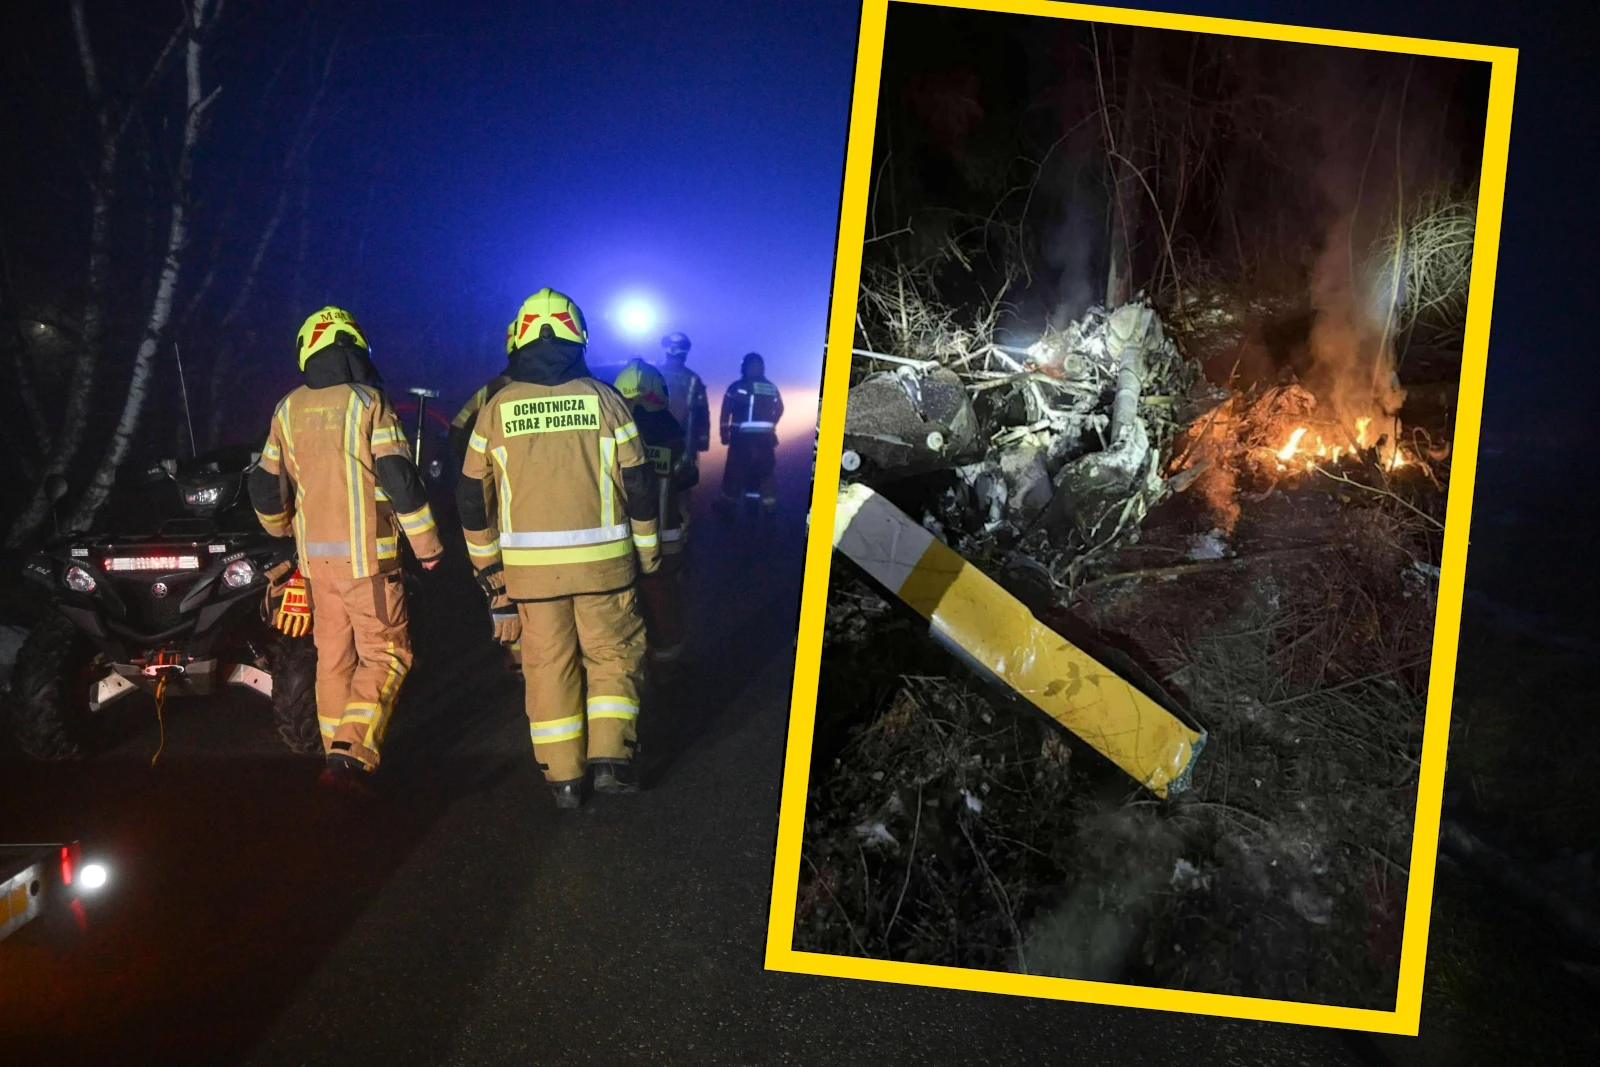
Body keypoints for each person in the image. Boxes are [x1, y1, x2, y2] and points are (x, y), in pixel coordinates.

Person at [457, 288, 662, 810]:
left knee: (547, 666)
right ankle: (612, 761)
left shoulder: (497, 408)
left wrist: (488, 568)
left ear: (519, 338)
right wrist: (649, 555)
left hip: (530, 576)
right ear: (579, 336)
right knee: (613, 656)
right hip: (605, 569)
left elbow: (470, 497)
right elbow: (638, 482)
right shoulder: (606, 399)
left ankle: (564, 781)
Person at [248, 307, 444, 793]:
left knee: (332, 659)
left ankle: (336, 760)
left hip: (316, 565)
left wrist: (279, 530)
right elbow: (400, 478)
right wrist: (428, 545)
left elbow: (267, 488)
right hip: (369, 562)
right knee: (386, 654)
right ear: (356, 348)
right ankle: (351, 754)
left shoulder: (287, 408)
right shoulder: (369, 402)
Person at [613, 357, 690, 677]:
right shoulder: (672, 429)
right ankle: (667, 658)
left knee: (621, 599)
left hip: (622, 534)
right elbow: (686, 476)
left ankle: (626, 662)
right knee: (663, 596)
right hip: (666, 531)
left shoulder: (612, 430)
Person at [717, 351, 784, 519]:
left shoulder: (737, 387)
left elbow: (726, 412)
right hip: (766, 440)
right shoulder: (771, 387)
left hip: (741, 440)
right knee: (764, 472)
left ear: (744, 367)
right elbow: (780, 408)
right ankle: (766, 508)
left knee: (734, 472)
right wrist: (770, 425)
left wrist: (724, 433)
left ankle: (727, 508)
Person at [655, 331, 709, 524]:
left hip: (653, 442)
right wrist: (702, 442)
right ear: (685, 352)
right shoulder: (693, 379)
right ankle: (680, 532)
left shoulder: (653, 373)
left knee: (652, 486)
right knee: (681, 487)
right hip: (684, 444)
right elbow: (702, 413)